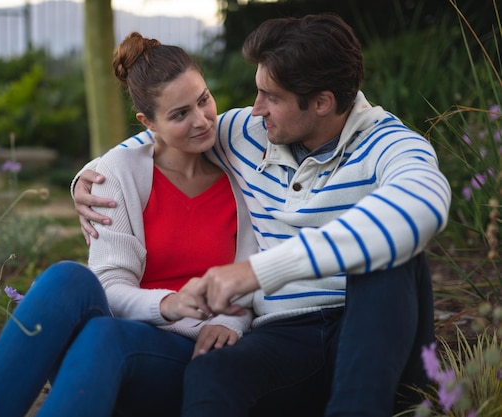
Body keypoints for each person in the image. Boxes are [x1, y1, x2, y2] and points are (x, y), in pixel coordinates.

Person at [72, 13, 451, 417]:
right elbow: (166, 132)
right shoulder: (247, 132)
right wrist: (91, 175)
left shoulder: (390, 145)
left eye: (270, 96)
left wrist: (259, 271)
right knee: (211, 374)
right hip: (282, 337)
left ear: (322, 102)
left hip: (372, 332)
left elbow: (421, 206)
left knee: (390, 254)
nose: (255, 109)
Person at [0, 32, 256, 417]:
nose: (201, 120)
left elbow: (256, 273)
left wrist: (235, 320)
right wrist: (168, 303)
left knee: (104, 335)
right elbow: (110, 287)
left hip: (187, 354)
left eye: (203, 100)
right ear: (147, 122)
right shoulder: (118, 173)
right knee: (67, 278)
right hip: (114, 341)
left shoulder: (241, 176)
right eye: (180, 114)